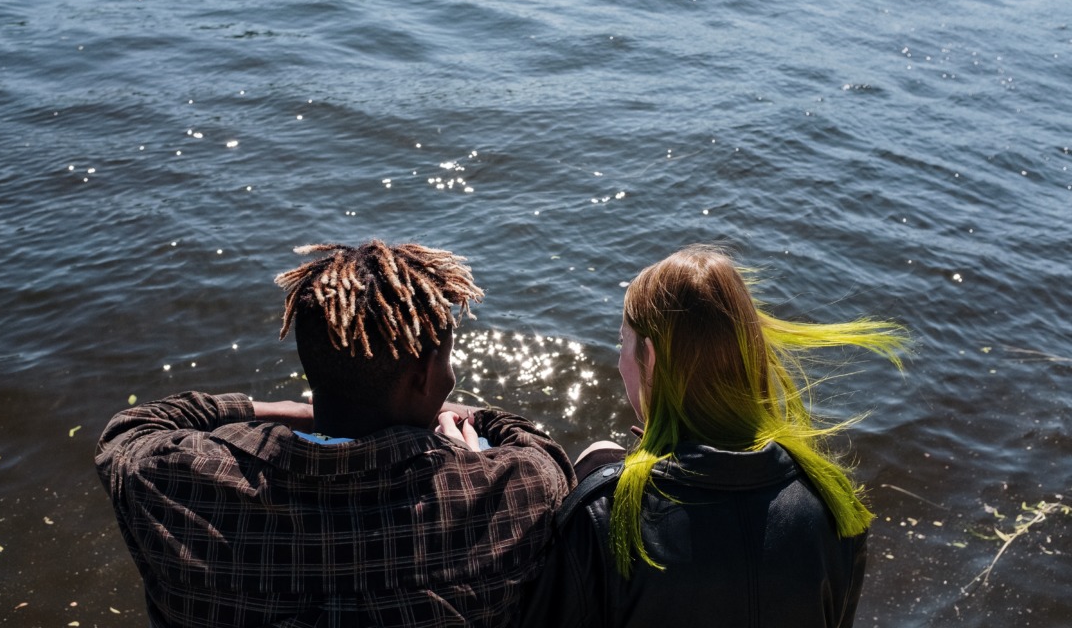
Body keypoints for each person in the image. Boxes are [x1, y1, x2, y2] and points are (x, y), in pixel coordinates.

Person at [95, 240, 575, 628]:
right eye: (446, 364)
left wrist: (291, 412)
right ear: (426, 376)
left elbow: (132, 428)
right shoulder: (513, 489)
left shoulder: (168, 483)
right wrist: (450, 428)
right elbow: (540, 448)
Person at [520, 244, 908, 628]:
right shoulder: (831, 500)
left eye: (623, 342)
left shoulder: (608, 514)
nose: (620, 359)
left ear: (651, 357)